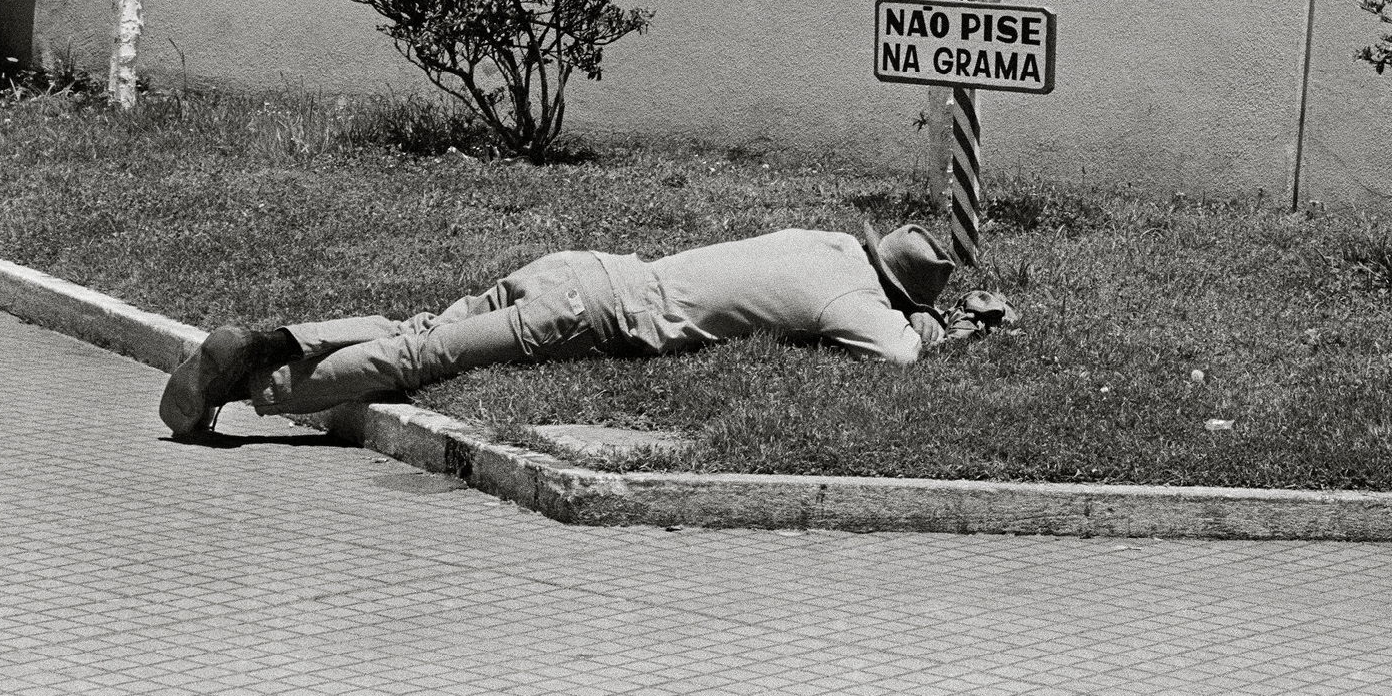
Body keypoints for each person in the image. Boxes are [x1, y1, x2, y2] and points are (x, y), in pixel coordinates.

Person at [159, 222, 993, 438]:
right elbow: (894, 352)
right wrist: (934, 330)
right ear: (893, 290)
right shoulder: (855, 304)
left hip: (577, 267)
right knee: (424, 357)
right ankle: (262, 388)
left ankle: (281, 336)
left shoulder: (827, 245)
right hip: (590, 316)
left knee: (422, 322)